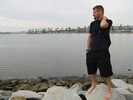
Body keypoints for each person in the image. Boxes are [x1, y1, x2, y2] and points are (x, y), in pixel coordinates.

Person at [86, 5, 113, 100]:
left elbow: (102, 25)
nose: (92, 14)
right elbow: (90, 36)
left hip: (103, 51)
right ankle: (94, 83)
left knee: (106, 71)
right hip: (92, 51)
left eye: (94, 12)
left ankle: (109, 89)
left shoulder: (108, 22)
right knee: (92, 69)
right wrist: (87, 48)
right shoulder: (92, 23)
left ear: (99, 12)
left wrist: (104, 18)